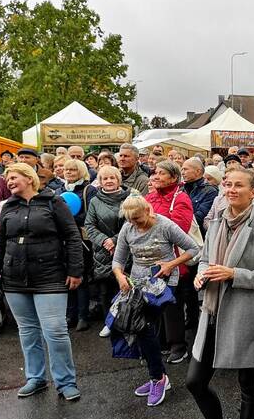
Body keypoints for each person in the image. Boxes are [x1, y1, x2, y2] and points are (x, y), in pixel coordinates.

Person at [185, 168, 254, 419]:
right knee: (195, 381)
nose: (231, 189)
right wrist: (201, 272)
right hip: (211, 311)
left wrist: (234, 274)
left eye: (239, 185)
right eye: (227, 184)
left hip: (243, 317)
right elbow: (204, 257)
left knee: (248, 387)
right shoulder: (216, 223)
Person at [0, 163, 84, 401]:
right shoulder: (8, 207)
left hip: (50, 276)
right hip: (14, 278)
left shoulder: (54, 202)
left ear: (29, 178)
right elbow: (0, 243)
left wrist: (75, 270)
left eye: (14, 177)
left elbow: (72, 237)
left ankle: (66, 381)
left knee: (55, 331)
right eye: (7, 179)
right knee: (28, 331)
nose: (9, 182)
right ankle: (35, 378)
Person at [112, 195, 199, 404]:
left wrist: (171, 264)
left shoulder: (165, 225)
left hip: (164, 282)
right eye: (131, 221)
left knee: (144, 328)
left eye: (139, 220)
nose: (136, 225)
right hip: (138, 282)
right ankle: (157, 375)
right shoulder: (128, 228)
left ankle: (158, 378)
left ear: (148, 211)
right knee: (140, 329)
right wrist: (120, 276)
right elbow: (118, 260)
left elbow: (194, 249)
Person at [147, 160, 199, 348]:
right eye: (155, 173)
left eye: (161, 173)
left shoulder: (181, 198)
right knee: (155, 301)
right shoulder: (150, 197)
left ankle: (177, 344)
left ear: (174, 178)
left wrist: (151, 228)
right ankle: (160, 342)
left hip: (175, 259)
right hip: (151, 257)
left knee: (172, 304)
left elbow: (180, 230)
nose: (156, 177)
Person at [84, 166, 130, 318]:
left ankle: (125, 320)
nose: (109, 181)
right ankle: (109, 322)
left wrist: (115, 240)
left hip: (125, 249)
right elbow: (89, 225)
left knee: (125, 286)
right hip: (102, 251)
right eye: (105, 178)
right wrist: (104, 240)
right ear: (100, 181)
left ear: (119, 180)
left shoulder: (129, 198)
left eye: (112, 178)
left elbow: (131, 223)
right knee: (105, 290)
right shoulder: (95, 201)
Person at [61, 159, 97, 331]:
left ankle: (83, 316)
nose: (68, 172)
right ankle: (70, 314)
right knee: (66, 276)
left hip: (83, 240)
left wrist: (67, 220)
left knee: (81, 277)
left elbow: (90, 215)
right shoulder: (60, 190)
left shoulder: (89, 190)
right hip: (63, 239)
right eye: (66, 169)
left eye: (73, 170)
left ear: (81, 171)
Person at [181, 158, 217, 232]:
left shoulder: (210, 191)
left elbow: (200, 217)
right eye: (182, 170)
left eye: (185, 169)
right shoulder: (181, 189)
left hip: (197, 235)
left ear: (198, 171)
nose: (182, 173)